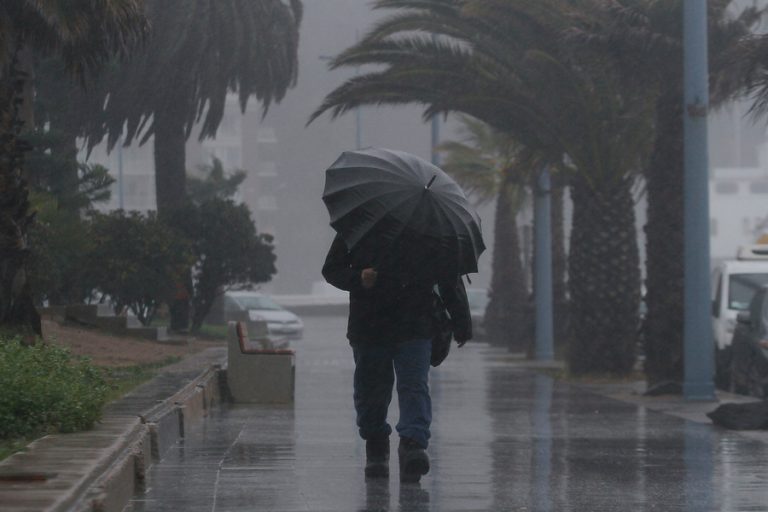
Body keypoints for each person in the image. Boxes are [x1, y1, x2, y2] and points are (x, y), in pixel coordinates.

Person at [322, 231, 472, 483]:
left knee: (414, 385)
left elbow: (448, 275)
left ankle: (413, 444)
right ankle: (376, 444)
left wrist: (461, 321)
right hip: (370, 326)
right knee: (371, 389)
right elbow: (332, 269)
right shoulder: (358, 228)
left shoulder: (428, 229)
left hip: (415, 324)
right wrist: (358, 278)